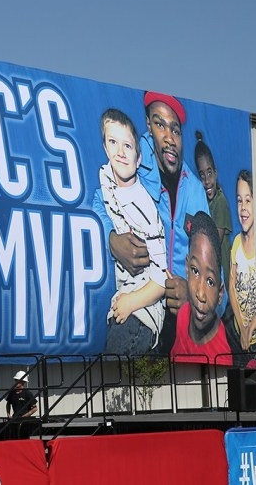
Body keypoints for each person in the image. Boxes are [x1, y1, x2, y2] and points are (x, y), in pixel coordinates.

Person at [96, 92, 210, 355]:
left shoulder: (194, 190)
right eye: (160, 125)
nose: (169, 138)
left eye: (175, 130)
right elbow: (97, 199)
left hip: (174, 315)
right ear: (148, 125)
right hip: (140, 300)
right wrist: (111, 239)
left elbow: (214, 268)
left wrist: (193, 293)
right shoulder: (132, 158)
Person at [94, 109, 167, 356]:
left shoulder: (145, 208)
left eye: (127, 146)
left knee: (109, 369)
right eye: (113, 142)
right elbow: (97, 203)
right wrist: (110, 237)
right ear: (105, 148)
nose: (120, 152)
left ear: (138, 158)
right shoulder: (106, 180)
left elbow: (162, 279)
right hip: (122, 302)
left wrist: (131, 302)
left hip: (142, 311)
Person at [170, 211, 233, 366]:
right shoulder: (183, 314)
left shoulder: (221, 356)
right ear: (186, 268)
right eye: (195, 271)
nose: (200, 294)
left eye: (210, 282)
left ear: (220, 293)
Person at [194, 131, 233, 283]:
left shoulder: (220, 202)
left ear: (216, 174)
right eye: (202, 175)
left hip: (222, 273)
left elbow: (214, 242)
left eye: (209, 173)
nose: (207, 181)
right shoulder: (203, 202)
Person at [229, 170, 256, 354]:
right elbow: (232, 286)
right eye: (239, 201)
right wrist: (242, 327)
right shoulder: (237, 243)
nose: (243, 207)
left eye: (248, 200)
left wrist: (250, 328)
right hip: (238, 335)